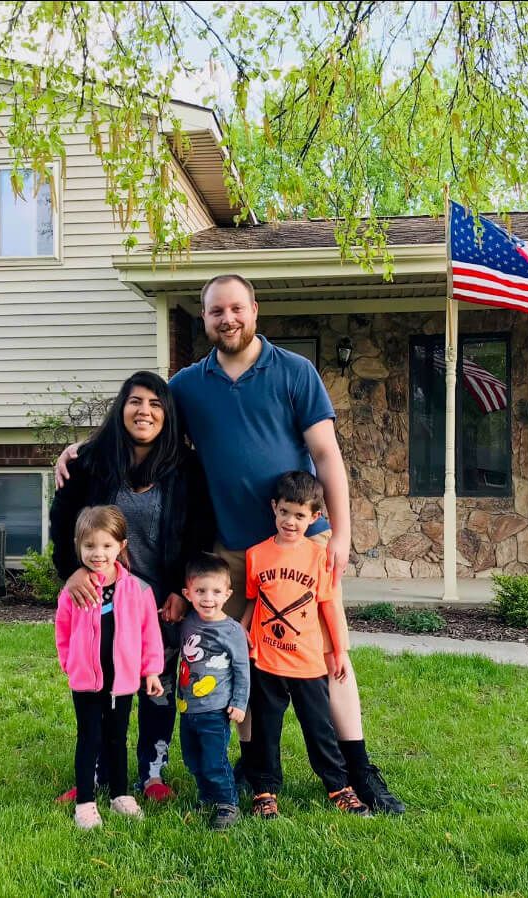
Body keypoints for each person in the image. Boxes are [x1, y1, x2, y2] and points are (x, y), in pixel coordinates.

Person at [57, 273, 404, 814]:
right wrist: (82, 448)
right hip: (233, 550)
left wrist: (342, 534)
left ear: (255, 310)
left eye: (236, 308)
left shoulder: (295, 372)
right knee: (232, 655)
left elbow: (328, 455)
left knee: (328, 656)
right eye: (217, 311)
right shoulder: (190, 386)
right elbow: (145, 421)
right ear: (205, 319)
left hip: (300, 543)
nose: (228, 319)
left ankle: (359, 768)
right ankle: (255, 769)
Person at [49, 370, 215, 804]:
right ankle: (100, 772)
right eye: (136, 401)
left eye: (156, 404)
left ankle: (152, 772)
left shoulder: (186, 469)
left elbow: (200, 532)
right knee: (106, 687)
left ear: (168, 415)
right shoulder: (90, 462)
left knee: (157, 686)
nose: (145, 411)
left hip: (162, 604)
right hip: (105, 602)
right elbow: (63, 522)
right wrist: (71, 571)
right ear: (121, 408)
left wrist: (183, 588)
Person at [241, 471, 369, 818]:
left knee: (319, 730)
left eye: (300, 515)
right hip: (266, 661)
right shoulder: (256, 555)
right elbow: (255, 602)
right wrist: (242, 637)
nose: (291, 521)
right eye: (285, 512)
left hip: (309, 664)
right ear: (274, 508)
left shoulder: (318, 556)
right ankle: (264, 790)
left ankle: (339, 786)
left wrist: (339, 652)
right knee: (265, 732)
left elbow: (328, 606)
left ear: (314, 518)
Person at [54, 505, 165, 830]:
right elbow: (62, 630)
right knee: (89, 736)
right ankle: (85, 802)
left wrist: (152, 671)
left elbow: (150, 635)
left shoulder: (138, 590)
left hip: (123, 681)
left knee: (117, 737)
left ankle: (120, 795)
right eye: (89, 546)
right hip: (86, 681)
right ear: (79, 546)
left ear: (121, 547)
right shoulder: (75, 590)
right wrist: (69, 663)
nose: (98, 553)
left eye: (106, 546)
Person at [176, 553, 250, 830]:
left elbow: (242, 669)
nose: (208, 598)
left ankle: (227, 803)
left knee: (214, 760)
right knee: (193, 759)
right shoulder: (188, 622)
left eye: (216, 591)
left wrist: (239, 703)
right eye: (200, 591)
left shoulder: (231, 631)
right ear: (188, 593)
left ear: (228, 594)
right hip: (187, 708)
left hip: (215, 709)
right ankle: (207, 796)